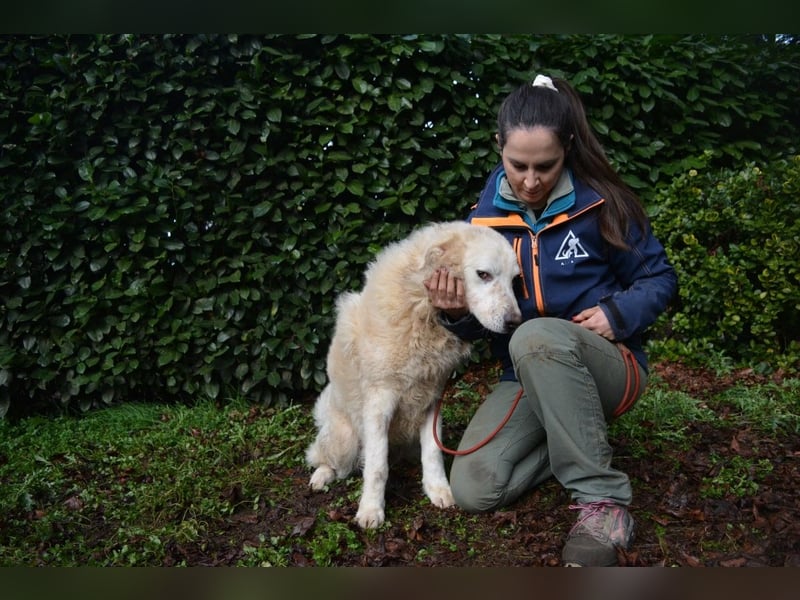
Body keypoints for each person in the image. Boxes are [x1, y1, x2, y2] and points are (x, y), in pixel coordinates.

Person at [424, 74, 678, 566]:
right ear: (498, 147)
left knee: (536, 333)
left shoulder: (602, 204)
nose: (530, 180)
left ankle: (604, 505)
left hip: (610, 364)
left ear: (568, 149)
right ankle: (575, 436)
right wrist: (455, 313)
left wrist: (617, 313)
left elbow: (660, 280)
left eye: (546, 165)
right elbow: (485, 324)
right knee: (474, 488)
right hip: (523, 376)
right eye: (517, 165)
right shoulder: (482, 224)